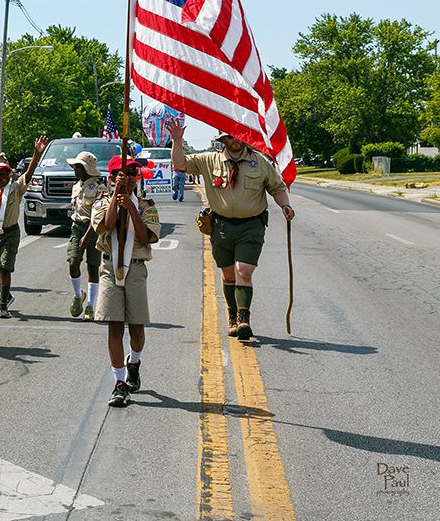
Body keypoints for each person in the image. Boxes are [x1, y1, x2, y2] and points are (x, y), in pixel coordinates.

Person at [167, 121, 295, 339]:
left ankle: (244, 319)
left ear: (244, 137)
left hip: (251, 225)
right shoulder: (209, 160)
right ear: (222, 140)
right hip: (221, 226)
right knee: (228, 275)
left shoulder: (260, 162)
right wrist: (177, 140)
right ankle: (233, 316)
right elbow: (180, 164)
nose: (233, 141)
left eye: (237, 136)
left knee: (243, 270)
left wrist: (285, 205)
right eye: (228, 137)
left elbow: (277, 188)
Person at [92, 155, 161, 407]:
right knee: (114, 325)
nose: (130, 176)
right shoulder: (101, 202)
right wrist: (115, 198)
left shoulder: (146, 205)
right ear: (112, 177)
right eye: (124, 173)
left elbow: (145, 237)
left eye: (134, 172)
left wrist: (131, 207)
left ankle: (134, 363)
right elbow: (105, 226)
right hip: (110, 268)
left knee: (136, 329)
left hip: (135, 268)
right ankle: (119, 383)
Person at [0, 136, 48, 318]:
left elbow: (29, 175)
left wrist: (36, 154)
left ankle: (2, 304)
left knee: (5, 267)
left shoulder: (15, 189)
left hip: (11, 232)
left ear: (10, 175)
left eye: (5, 174)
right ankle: (6, 295)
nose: (2, 177)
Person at [65, 151, 108, 320]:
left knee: (92, 267)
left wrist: (88, 236)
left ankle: (90, 305)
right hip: (77, 227)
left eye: (78, 167)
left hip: (94, 229)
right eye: (75, 167)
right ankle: (78, 295)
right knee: (73, 262)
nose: (75, 170)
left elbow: (98, 215)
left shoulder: (99, 188)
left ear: (86, 168)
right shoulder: (76, 186)